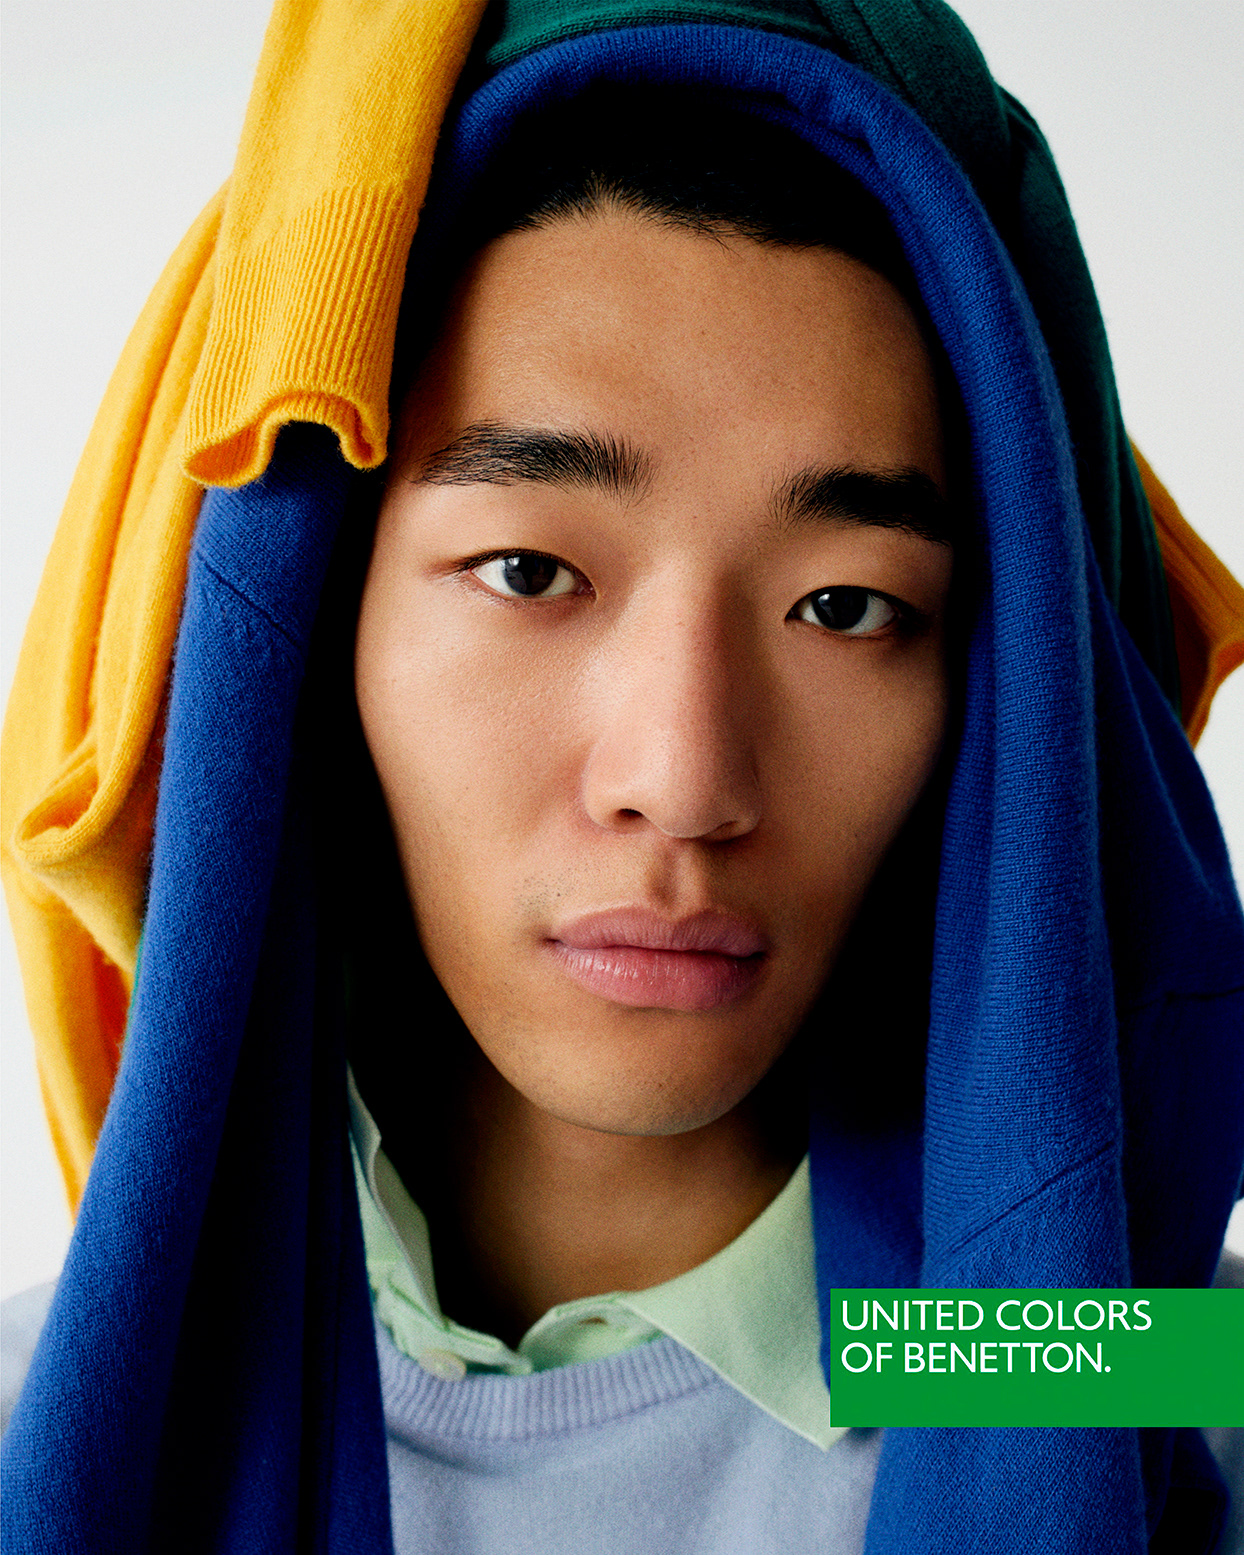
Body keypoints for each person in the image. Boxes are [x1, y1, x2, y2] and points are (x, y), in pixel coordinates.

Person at [2, 2, 1242, 1552]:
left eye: (844, 606)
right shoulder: (58, 1448)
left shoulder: (1157, 1407)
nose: (685, 778)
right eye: (530, 571)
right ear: (303, 628)